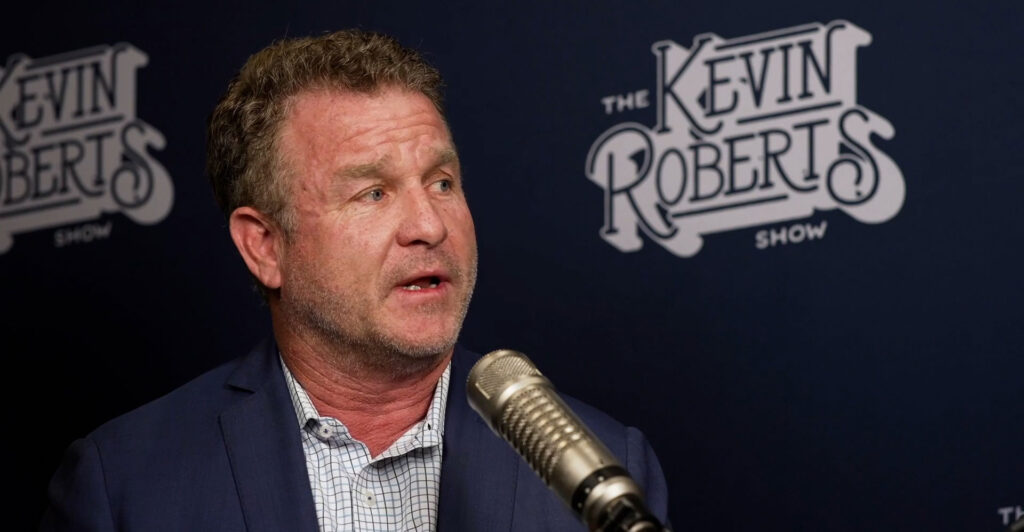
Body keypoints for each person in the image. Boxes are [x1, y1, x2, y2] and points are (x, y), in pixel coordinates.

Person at [40, 29, 670, 531]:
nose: (428, 225)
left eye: (442, 182)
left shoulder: (606, 469)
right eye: (373, 193)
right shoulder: (123, 484)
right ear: (265, 246)